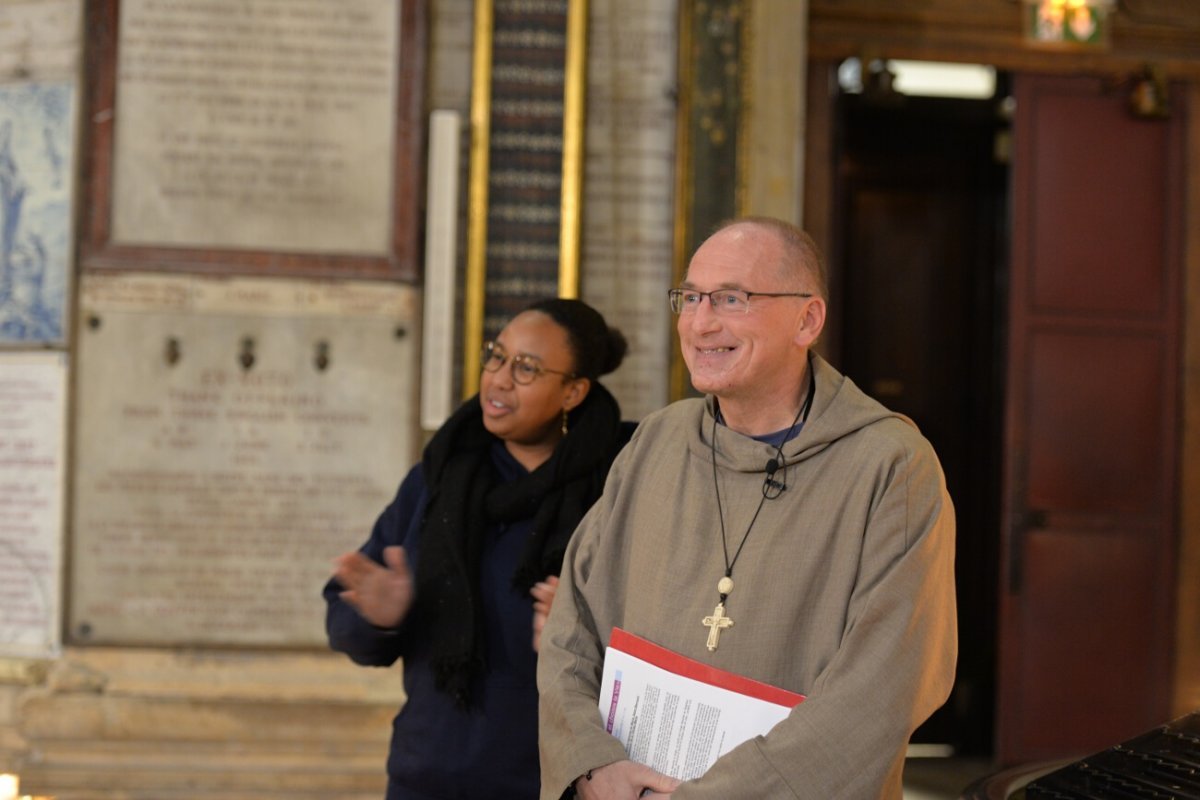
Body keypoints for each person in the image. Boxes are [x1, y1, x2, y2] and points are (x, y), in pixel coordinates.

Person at [537, 217, 957, 799]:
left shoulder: (889, 467)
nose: (701, 322)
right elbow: (571, 627)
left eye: (732, 299)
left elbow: (885, 688)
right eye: (690, 298)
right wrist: (590, 765)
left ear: (807, 319)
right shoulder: (657, 442)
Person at [324, 297, 631, 800]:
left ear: (573, 392)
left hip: (558, 782)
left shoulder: (618, 489)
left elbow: (671, 635)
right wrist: (381, 617)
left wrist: (591, 632)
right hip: (429, 778)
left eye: (527, 368)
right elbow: (345, 621)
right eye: (497, 356)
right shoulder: (438, 481)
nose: (499, 380)